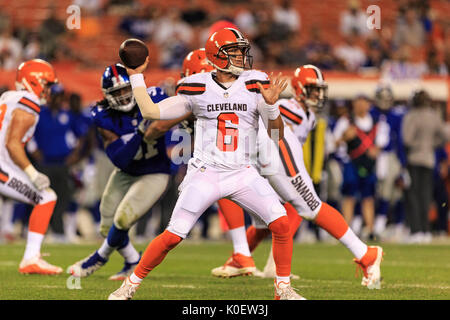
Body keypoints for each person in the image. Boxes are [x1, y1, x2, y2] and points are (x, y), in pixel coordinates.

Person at [108, 27, 304, 300]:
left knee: (281, 225)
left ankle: (283, 290)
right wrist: (136, 76)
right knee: (173, 236)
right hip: (206, 173)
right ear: (218, 56)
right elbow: (151, 112)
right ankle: (129, 285)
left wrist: (271, 108)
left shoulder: (255, 82)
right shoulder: (196, 86)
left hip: (242, 172)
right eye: (234, 51)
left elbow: (276, 134)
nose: (241, 56)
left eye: (241, 50)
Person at [212, 65, 384, 291]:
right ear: (299, 88)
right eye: (313, 89)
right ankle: (241, 256)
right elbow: (273, 124)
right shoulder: (288, 106)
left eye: (319, 90)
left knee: (310, 208)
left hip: (276, 157)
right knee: (266, 218)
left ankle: (367, 254)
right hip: (271, 155)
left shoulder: (308, 116)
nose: (318, 95)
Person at [67, 63, 189, 280]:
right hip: (126, 170)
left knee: (122, 219)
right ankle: (133, 260)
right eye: (117, 92)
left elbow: (183, 111)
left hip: (155, 171)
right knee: (106, 224)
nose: (123, 96)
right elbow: (120, 159)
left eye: (126, 89)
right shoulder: (102, 114)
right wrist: (140, 133)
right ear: (107, 95)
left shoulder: (154, 96)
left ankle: (99, 257)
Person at [0, 59, 62, 274]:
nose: (48, 91)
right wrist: (31, 173)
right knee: (46, 196)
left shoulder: (9, 97)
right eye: (47, 85)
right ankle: (30, 258)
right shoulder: (28, 101)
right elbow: (12, 143)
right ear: (34, 81)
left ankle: (31, 257)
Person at [334, 93, 390, 240]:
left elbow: (383, 141)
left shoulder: (377, 121)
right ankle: (345, 230)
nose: (360, 106)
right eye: (357, 103)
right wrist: (345, 137)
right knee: (349, 196)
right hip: (351, 162)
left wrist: (376, 150)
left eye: (363, 103)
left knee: (368, 197)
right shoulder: (346, 121)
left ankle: (370, 230)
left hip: (369, 164)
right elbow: (334, 143)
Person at [402, 89, 450, 243]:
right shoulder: (433, 116)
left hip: (414, 159)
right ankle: (426, 230)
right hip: (429, 160)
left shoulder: (412, 116)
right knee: (426, 196)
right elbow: (444, 137)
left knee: (414, 196)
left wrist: (418, 145)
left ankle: (416, 231)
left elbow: (406, 139)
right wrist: (431, 145)